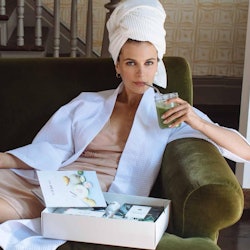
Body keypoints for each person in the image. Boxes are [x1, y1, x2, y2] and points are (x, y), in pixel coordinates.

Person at [0, 0, 250, 224]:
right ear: (118, 66)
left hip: (85, 197)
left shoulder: (168, 112)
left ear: (157, 66)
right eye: (131, 63)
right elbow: (51, 151)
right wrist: (3, 159)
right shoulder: (89, 103)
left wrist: (199, 123)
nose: (141, 74)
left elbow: (245, 151)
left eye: (149, 63)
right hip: (50, 180)